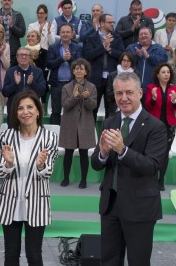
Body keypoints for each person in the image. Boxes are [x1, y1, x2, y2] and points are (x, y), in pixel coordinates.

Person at [79, 72, 166, 266]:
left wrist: (123, 151)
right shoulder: (111, 121)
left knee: (138, 265)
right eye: (118, 93)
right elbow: (96, 163)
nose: (124, 98)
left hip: (140, 207)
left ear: (140, 93)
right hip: (112, 203)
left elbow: (153, 166)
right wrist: (104, 153)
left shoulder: (155, 126)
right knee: (109, 261)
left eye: (129, 92)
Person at [0, 90, 58, 266]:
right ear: (15, 113)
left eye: (30, 107)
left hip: (37, 203)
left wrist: (41, 166)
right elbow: (0, 172)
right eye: (21, 108)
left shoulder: (49, 138)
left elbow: (48, 172)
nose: (25, 112)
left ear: (38, 111)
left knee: (34, 254)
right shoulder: (7, 135)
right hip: (11, 202)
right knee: (11, 254)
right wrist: (9, 164)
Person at [59, 59, 97, 189]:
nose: (79, 70)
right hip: (70, 122)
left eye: (82, 68)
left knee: (83, 152)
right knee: (68, 151)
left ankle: (84, 179)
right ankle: (65, 178)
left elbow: (92, 106)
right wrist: (74, 96)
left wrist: (86, 98)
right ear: (73, 71)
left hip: (85, 122)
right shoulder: (66, 87)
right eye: (76, 68)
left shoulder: (92, 87)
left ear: (86, 71)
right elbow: (65, 105)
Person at [144, 64, 176, 190]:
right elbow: (148, 106)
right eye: (163, 72)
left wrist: (174, 101)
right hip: (154, 125)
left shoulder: (175, 89)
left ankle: (161, 181)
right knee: (153, 152)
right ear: (157, 74)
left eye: (168, 72)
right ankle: (152, 178)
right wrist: (154, 98)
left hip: (169, 125)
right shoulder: (151, 87)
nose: (166, 74)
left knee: (165, 153)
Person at [82, 13, 124, 121]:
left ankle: (108, 136)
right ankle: (90, 136)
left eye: (113, 22)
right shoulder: (91, 38)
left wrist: (110, 50)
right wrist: (103, 47)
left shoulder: (117, 37)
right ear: (101, 23)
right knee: (92, 109)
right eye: (110, 22)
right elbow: (87, 55)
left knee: (111, 111)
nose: (112, 24)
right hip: (95, 78)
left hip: (112, 78)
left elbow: (122, 56)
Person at [47, 24, 82, 125]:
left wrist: (70, 59)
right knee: (55, 112)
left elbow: (80, 65)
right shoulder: (53, 47)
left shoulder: (78, 47)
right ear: (59, 34)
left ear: (72, 34)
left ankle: (71, 137)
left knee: (72, 111)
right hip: (57, 84)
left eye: (68, 32)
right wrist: (62, 59)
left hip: (73, 84)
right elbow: (49, 64)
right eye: (63, 32)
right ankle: (54, 137)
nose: (65, 34)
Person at [2, 47, 47, 115]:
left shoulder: (38, 71)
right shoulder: (10, 72)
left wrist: (32, 83)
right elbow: (5, 92)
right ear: (17, 57)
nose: (23, 57)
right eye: (21, 55)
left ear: (30, 58)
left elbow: (42, 92)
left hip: (31, 110)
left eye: (26, 55)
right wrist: (15, 84)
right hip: (14, 109)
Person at [125, 27, 168, 91]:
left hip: (152, 87)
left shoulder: (159, 48)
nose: (143, 35)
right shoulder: (131, 47)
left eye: (145, 34)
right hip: (134, 86)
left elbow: (163, 61)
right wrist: (137, 56)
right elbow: (126, 63)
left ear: (151, 36)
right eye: (141, 34)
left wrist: (148, 57)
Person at [105, 52, 139, 119]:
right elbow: (108, 96)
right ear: (121, 61)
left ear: (131, 62)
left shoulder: (136, 75)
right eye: (124, 60)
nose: (126, 63)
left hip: (131, 110)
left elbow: (137, 94)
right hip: (114, 110)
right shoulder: (113, 75)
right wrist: (119, 92)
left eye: (128, 61)